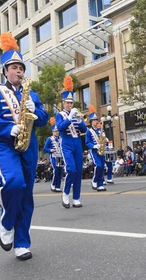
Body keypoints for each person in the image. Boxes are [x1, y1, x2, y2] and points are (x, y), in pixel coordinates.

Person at [0, 33, 48, 260]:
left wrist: (35, 109)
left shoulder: (32, 93)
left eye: (22, 67)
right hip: (5, 145)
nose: (20, 71)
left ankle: (22, 242)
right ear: (5, 70)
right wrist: (7, 128)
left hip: (28, 145)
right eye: (15, 67)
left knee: (26, 195)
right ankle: (7, 222)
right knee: (13, 183)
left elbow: (43, 119)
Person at [55, 75, 87, 208]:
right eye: (67, 103)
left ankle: (76, 198)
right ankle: (66, 192)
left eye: (71, 103)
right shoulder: (60, 115)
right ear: (63, 103)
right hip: (67, 143)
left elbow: (84, 130)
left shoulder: (75, 114)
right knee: (71, 169)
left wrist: (80, 120)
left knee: (79, 170)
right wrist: (70, 116)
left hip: (77, 143)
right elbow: (61, 128)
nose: (69, 105)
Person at [85, 106, 106, 192]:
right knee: (98, 165)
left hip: (101, 151)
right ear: (91, 122)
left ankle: (100, 184)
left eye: (96, 120)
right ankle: (94, 180)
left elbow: (103, 139)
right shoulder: (89, 131)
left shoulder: (100, 130)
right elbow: (87, 142)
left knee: (102, 167)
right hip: (94, 151)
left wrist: (105, 139)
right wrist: (94, 146)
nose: (96, 121)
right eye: (94, 120)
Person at [43, 118, 63, 192]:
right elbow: (45, 148)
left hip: (60, 157)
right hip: (54, 156)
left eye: (57, 131)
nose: (57, 132)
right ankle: (53, 184)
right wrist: (50, 150)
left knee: (60, 171)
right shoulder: (50, 139)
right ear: (52, 132)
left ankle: (58, 186)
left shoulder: (61, 138)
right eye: (55, 131)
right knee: (56, 170)